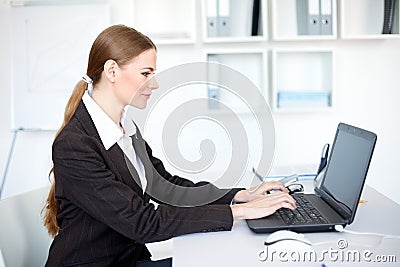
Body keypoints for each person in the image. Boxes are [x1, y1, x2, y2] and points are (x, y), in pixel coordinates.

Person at [43, 24, 296, 267]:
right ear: (111, 72)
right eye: (146, 73)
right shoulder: (75, 145)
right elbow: (143, 223)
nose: (153, 84)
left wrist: (239, 196)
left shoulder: (125, 129)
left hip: (130, 259)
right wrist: (242, 213)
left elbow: (166, 187)